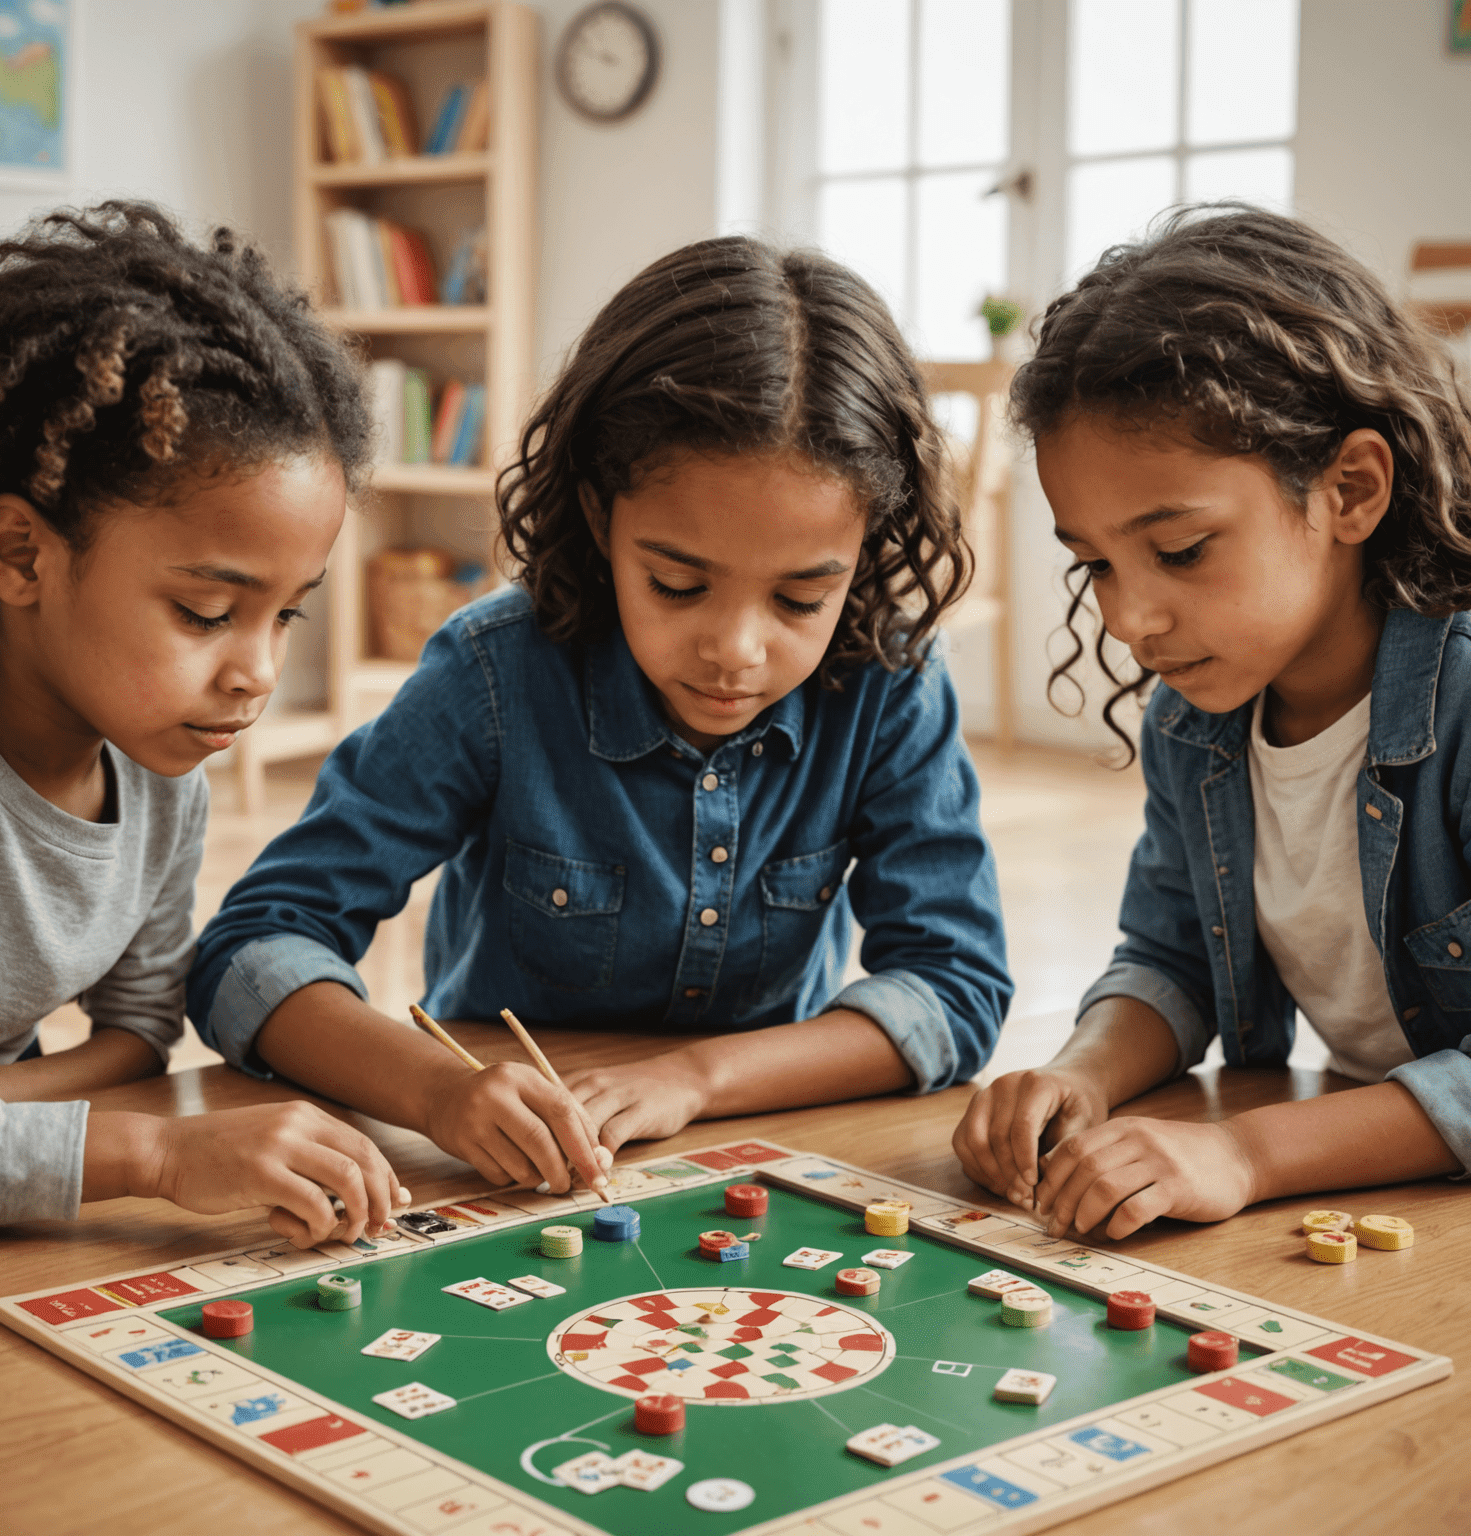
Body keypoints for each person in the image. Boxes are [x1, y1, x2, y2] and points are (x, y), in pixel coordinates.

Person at [189, 236, 1013, 1191]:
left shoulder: (889, 679)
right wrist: (435, 1094)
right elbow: (253, 951)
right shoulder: (496, 672)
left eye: (799, 601)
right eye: (676, 582)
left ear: (865, 553)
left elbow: (954, 987)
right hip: (517, 1166)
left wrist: (698, 1078)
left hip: (764, 1152)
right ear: (597, 513)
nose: (737, 650)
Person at [954, 206, 1471, 1240]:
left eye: (1181, 549)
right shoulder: (1197, 724)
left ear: (1351, 489)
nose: (1129, 619)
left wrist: (1242, 1150)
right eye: (1095, 562)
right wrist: (1081, 1074)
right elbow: (1175, 957)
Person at [0, 201, 403, 1244]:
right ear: (20, 557)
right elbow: (127, 1110)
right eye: (205, 613)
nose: (258, 673)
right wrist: (151, 1152)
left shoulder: (161, 781)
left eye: (286, 614)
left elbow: (141, 1026)